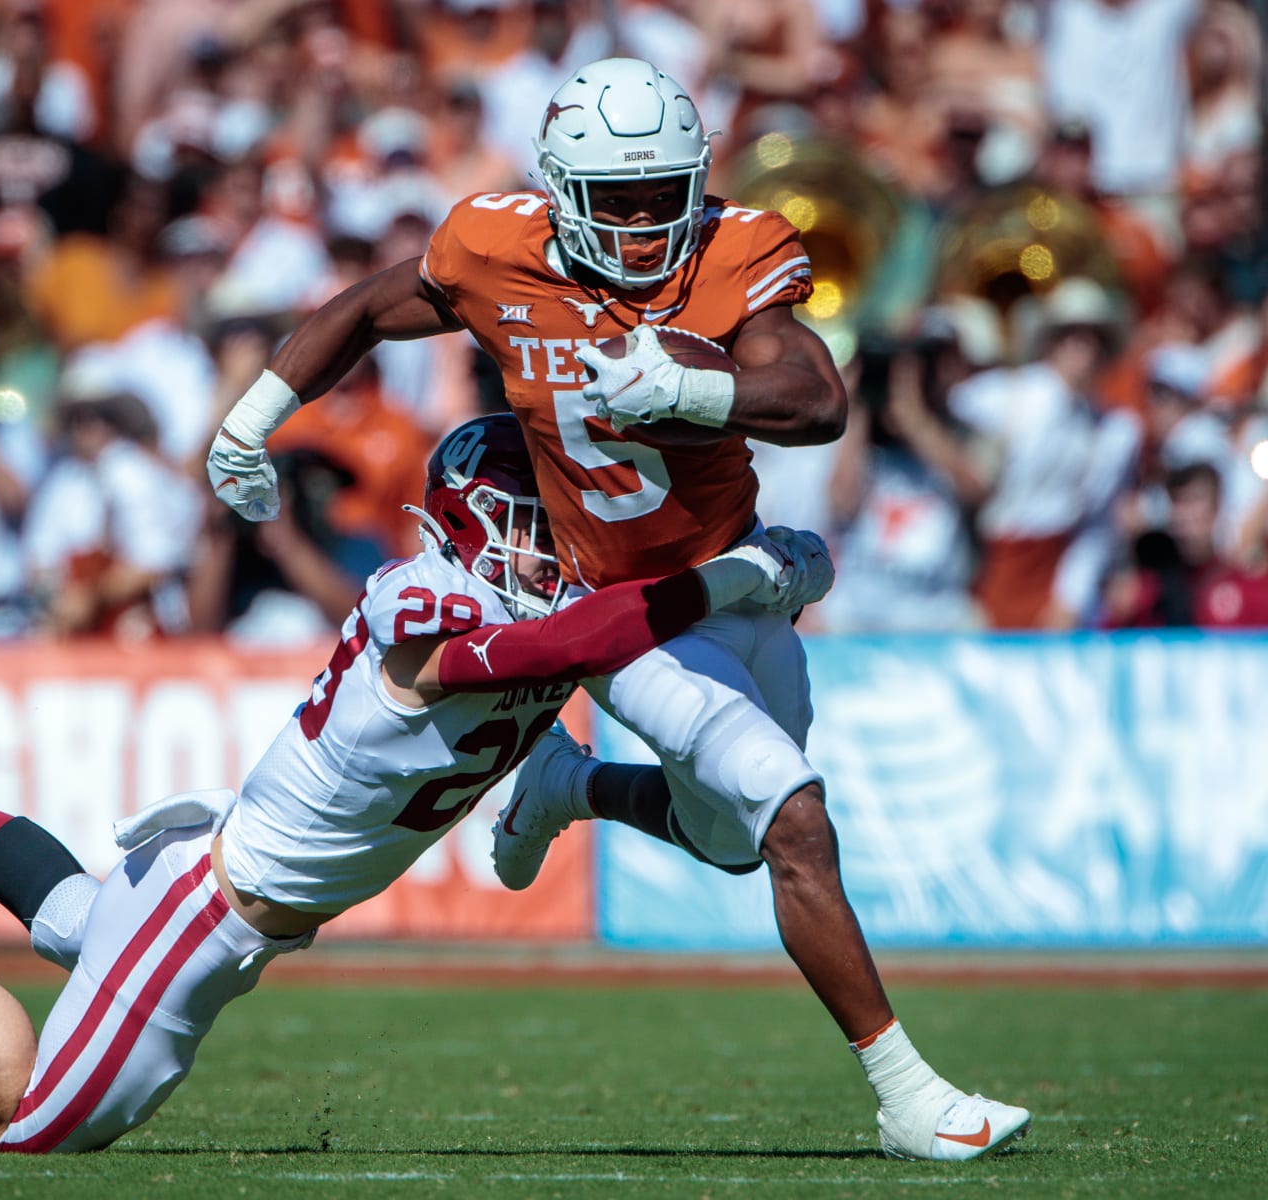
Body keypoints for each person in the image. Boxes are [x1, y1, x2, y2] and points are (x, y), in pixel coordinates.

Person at [205, 57, 1030, 1159]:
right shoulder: (497, 250)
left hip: (739, 578)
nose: (644, 223)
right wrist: (250, 419)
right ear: (557, 191)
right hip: (630, 613)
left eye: (662, 194)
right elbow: (363, 306)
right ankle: (908, 1097)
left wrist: (700, 391)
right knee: (793, 819)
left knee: (735, 846)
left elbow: (819, 397)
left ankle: (567, 784)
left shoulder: (737, 251)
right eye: (616, 200)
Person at [0, 413, 832, 1153]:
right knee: (23, 1126)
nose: (555, 543)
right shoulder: (429, 602)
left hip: (225, 877)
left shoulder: (536, 610)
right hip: (211, 908)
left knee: (79, 916)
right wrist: (741, 575)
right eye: (534, 519)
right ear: (471, 519)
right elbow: (564, 646)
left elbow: (620, 613)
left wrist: (761, 563)